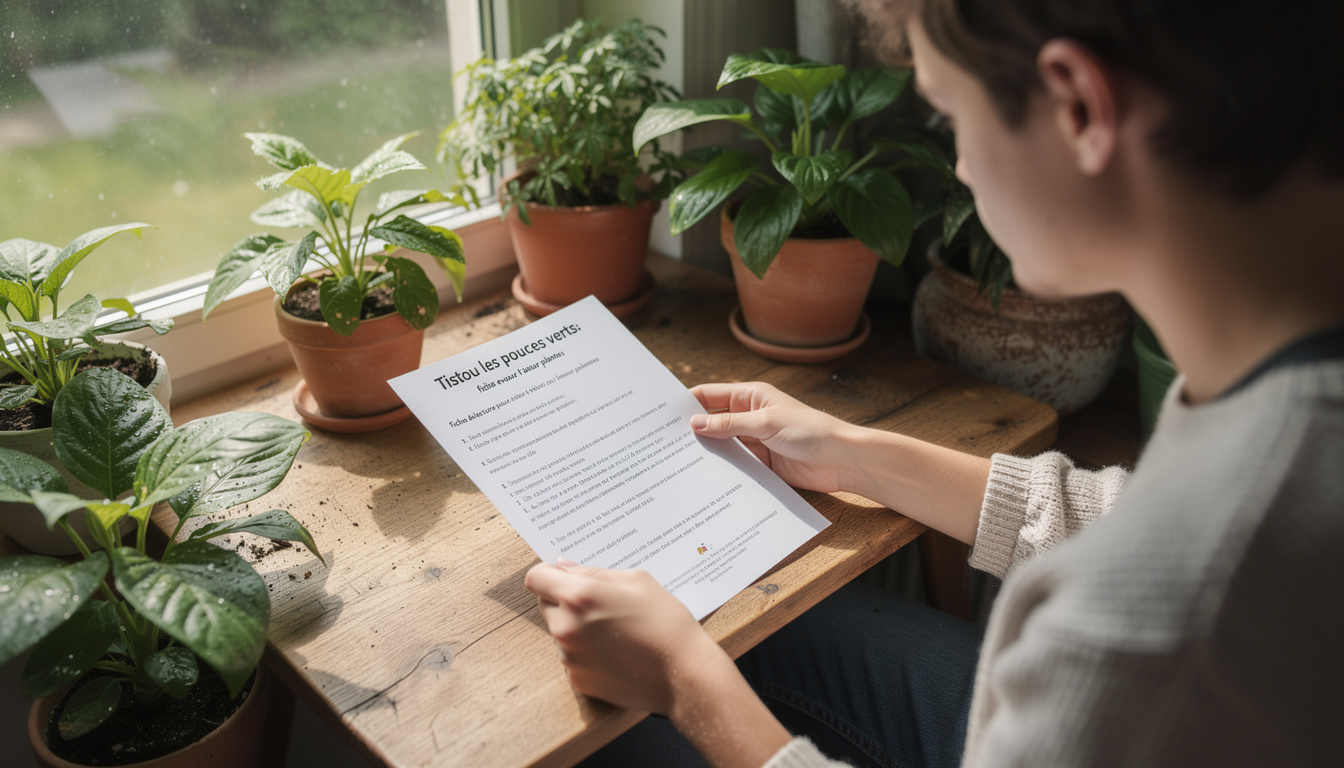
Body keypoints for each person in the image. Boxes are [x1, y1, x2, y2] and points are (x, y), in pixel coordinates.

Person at [525, 0, 1344, 765]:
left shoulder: (1149, 627)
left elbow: (1156, 578)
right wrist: (856, 456)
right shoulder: (1282, 386)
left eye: (951, 115)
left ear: (1079, 109)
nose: (958, 164)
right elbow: (1127, 517)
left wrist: (686, 684)